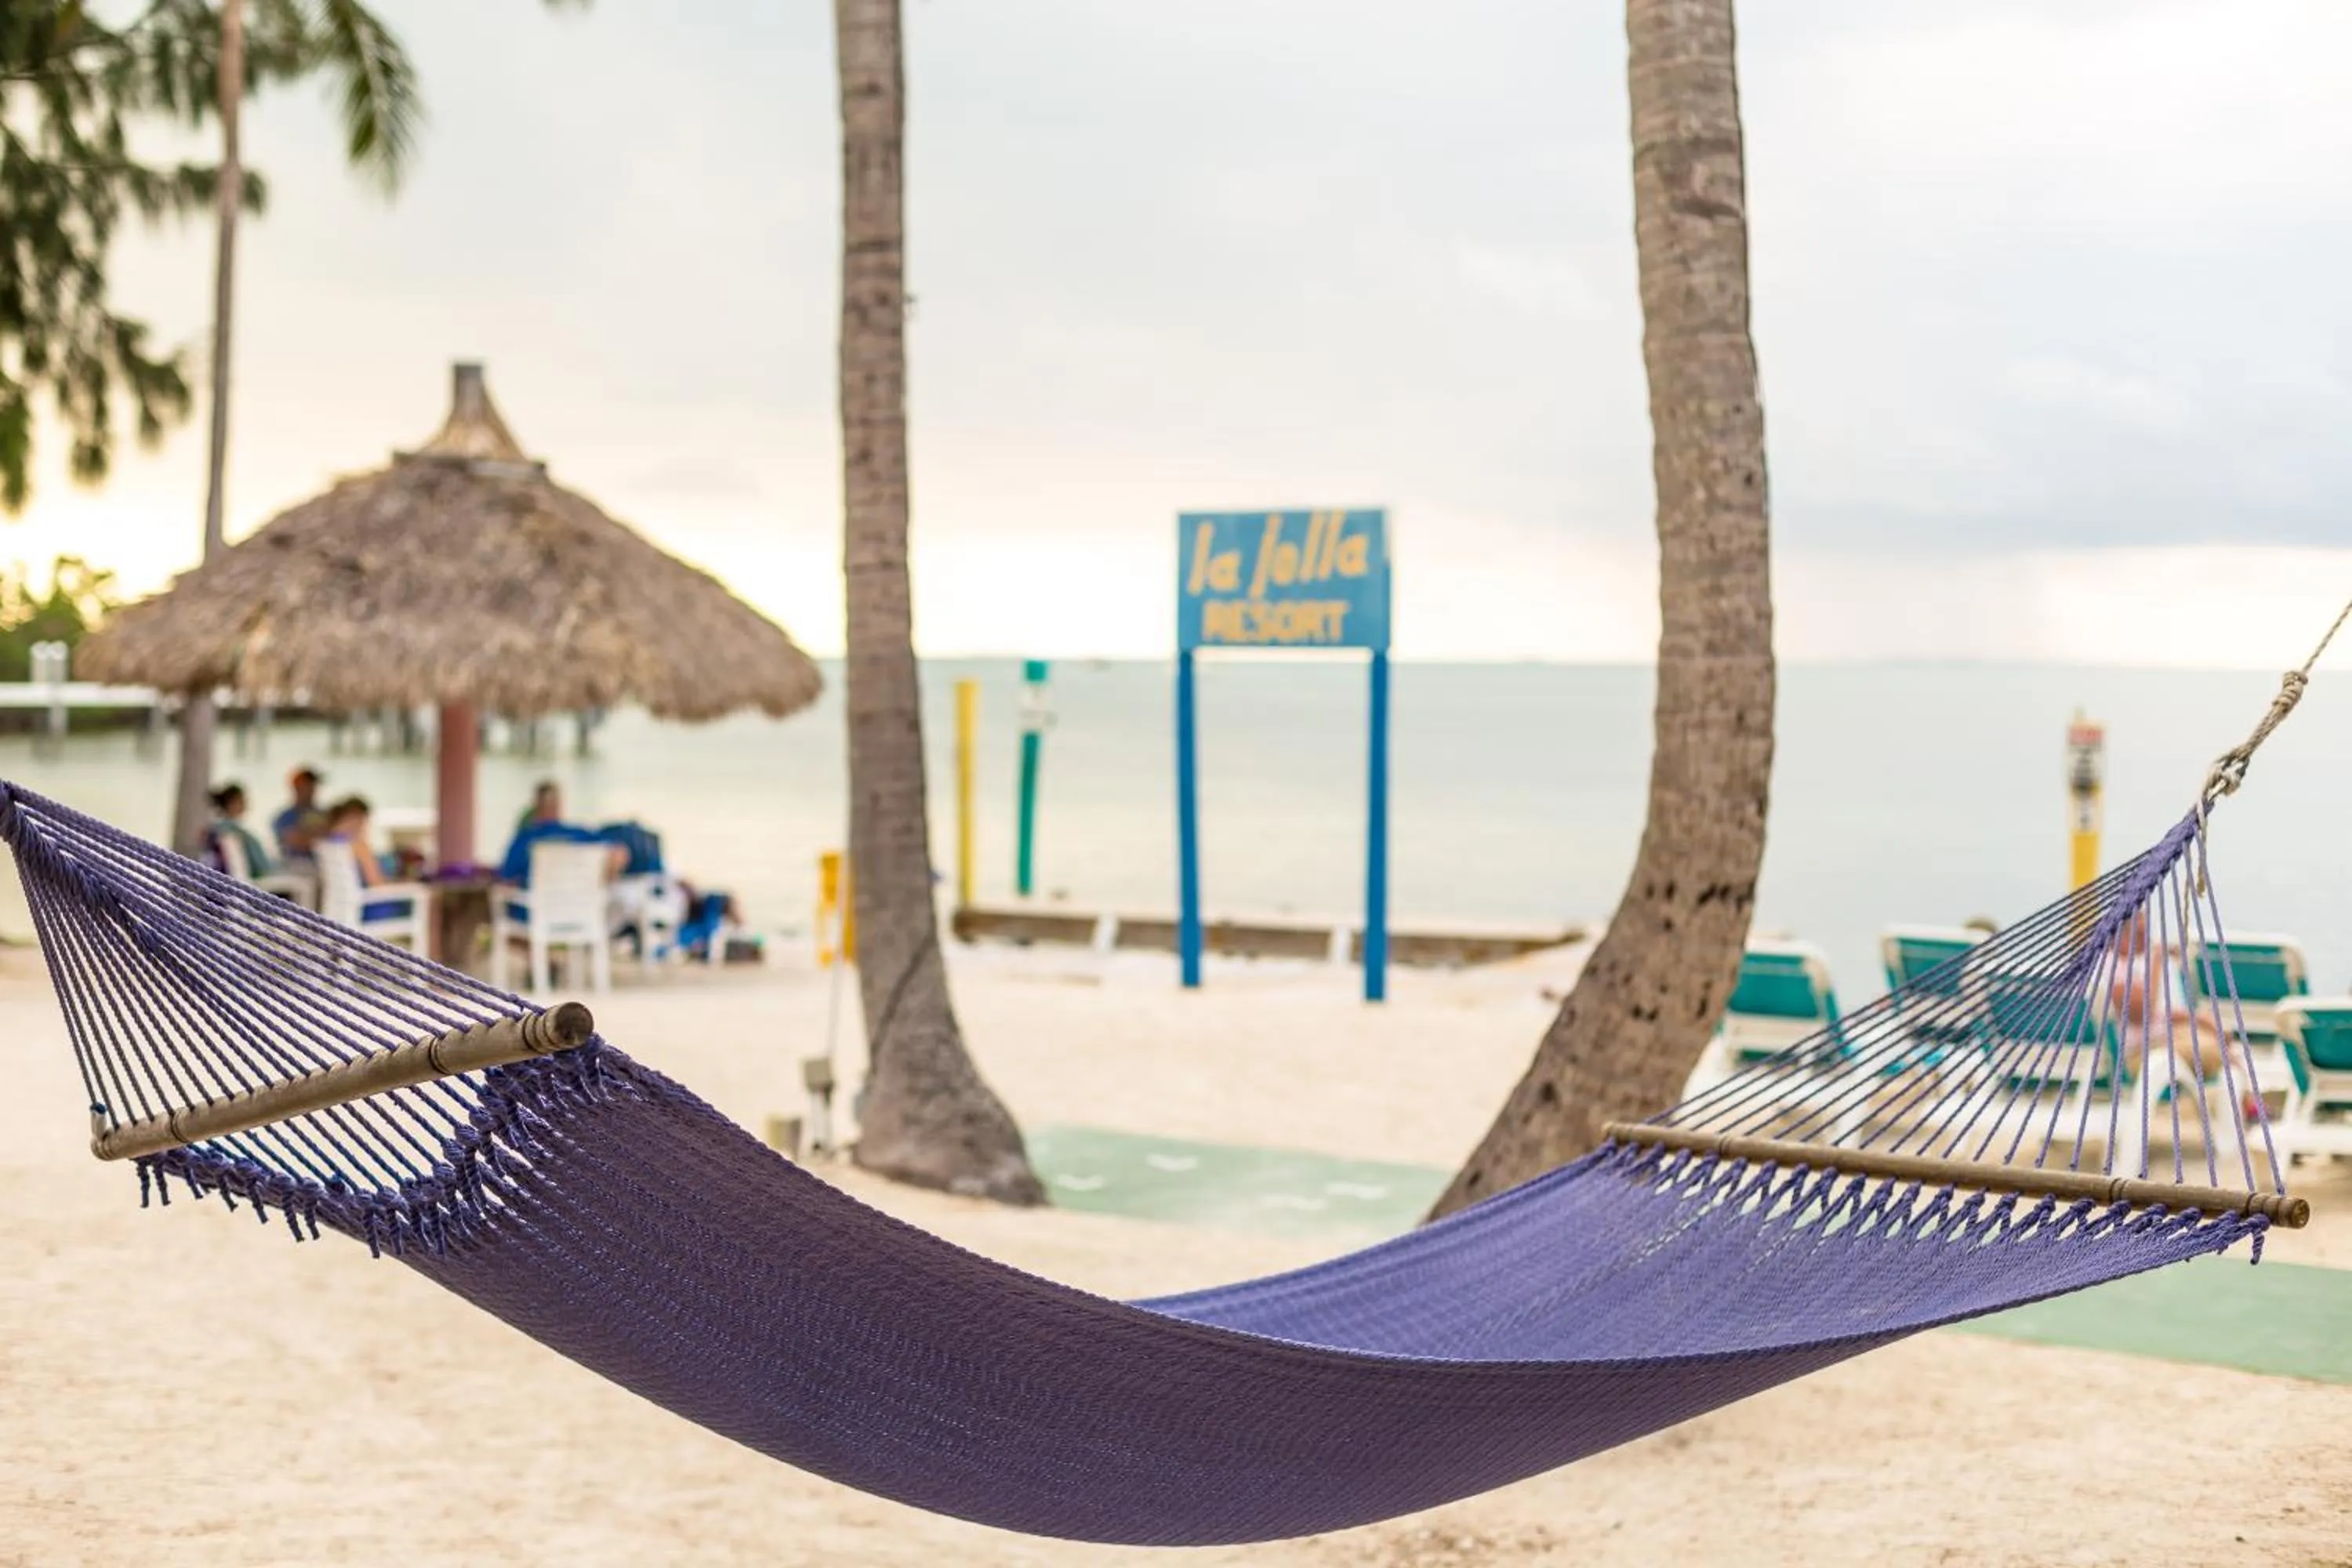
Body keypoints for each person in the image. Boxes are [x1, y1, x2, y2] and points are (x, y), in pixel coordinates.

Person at [2104, 906, 2257, 1115]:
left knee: (2218, 1039)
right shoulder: (2113, 968)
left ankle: (2243, 1103)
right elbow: (2141, 1015)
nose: (2146, 940)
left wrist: (2201, 1019)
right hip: (2141, 1054)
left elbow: (2162, 1014)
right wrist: (2156, 960)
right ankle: (2246, 1104)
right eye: (2139, 934)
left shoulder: (2133, 965)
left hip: (2162, 1041)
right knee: (2212, 1050)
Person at [204, 783, 274, 878]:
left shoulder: (218, 830)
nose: (246, 804)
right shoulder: (235, 833)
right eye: (242, 800)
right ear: (232, 803)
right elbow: (261, 867)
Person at [272, 766, 328, 862]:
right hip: (294, 865)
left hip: (324, 865)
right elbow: (296, 841)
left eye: (313, 785)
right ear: (296, 788)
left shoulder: (325, 815)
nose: (311, 789)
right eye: (307, 785)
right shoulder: (284, 818)